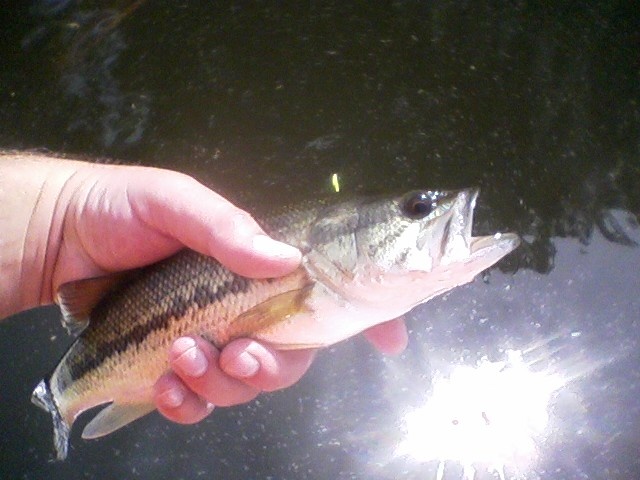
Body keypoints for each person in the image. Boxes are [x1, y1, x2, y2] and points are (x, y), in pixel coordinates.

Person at [0, 151, 408, 425]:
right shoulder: (305, 266)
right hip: (98, 350)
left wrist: (59, 218)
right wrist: (58, 220)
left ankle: (70, 400)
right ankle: (65, 401)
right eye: (416, 210)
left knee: (211, 372)